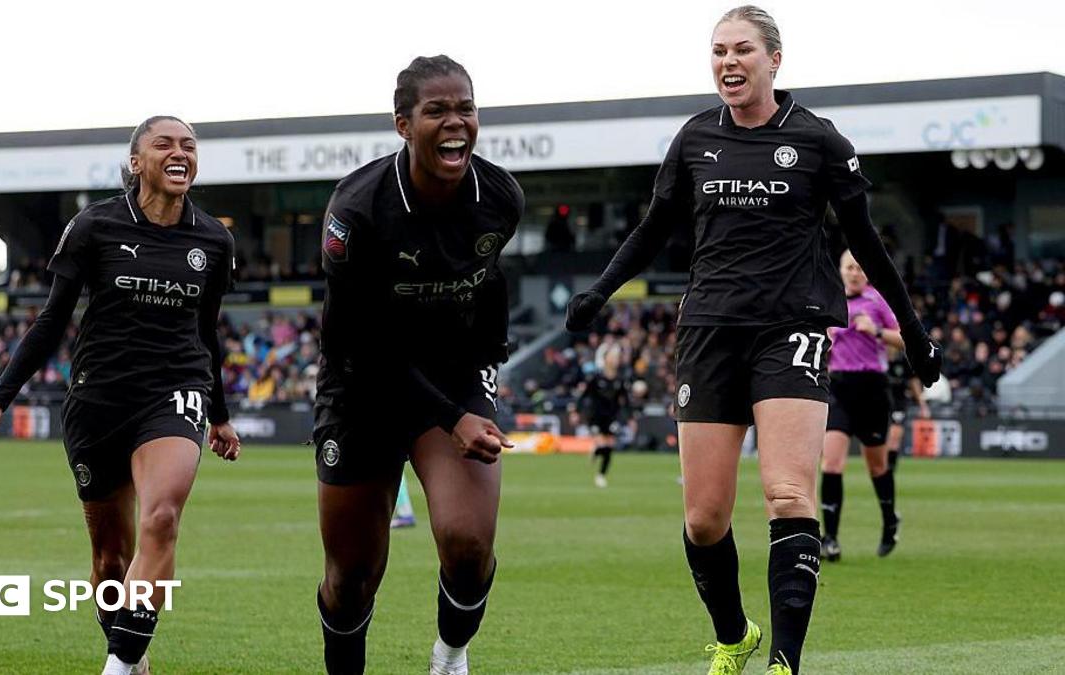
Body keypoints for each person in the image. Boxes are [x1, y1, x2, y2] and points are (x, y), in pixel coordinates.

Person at [565, 7, 941, 674]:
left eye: (742, 49)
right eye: (718, 51)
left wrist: (911, 330)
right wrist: (599, 292)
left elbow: (865, 242)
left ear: (774, 59)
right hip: (709, 330)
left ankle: (784, 662)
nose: (728, 62)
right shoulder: (694, 138)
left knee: (788, 494)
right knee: (704, 518)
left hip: (791, 328)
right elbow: (653, 227)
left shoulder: (818, 140)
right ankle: (736, 633)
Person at [0, 116, 240, 675]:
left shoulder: (213, 239)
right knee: (111, 560)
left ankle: (116, 666)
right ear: (136, 162)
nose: (180, 152)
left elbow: (206, 334)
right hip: (98, 401)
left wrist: (219, 415)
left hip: (175, 391)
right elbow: (51, 321)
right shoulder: (95, 225)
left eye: (189, 145)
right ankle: (133, 656)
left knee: (162, 517)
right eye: (164, 144)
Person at [312, 55, 524, 675]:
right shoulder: (356, 210)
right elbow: (351, 343)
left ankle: (449, 657)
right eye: (437, 110)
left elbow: (490, 281)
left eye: (466, 108)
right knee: (352, 576)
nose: (455, 122)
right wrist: (452, 415)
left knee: (468, 544)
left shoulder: (500, 197)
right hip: (361, 387)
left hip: (454, 377)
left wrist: (482, 380)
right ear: (403, 124)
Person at [819, 251, 905, 561]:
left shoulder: (877, 301)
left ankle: (890, 521)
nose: (854, 273)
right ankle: (830, 538)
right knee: (831, 463)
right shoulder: (830, 300)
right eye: (849, 267)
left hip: (872, 389)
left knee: (877, 466)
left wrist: (877, 331)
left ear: (866, 272)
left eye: (859, 267)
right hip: (838, 388)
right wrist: (825, 339)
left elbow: (906, 339)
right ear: (840, 270)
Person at [579, 345, 629, 488]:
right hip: (596, 416)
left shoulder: (620, 380)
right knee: (603, 444)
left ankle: (601, 474)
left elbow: (625, 400)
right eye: (612, 357)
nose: (615, 360)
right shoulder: (596, 378)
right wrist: (577, 411)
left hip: (612, 417)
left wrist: (629, 417)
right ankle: (598, 455)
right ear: (605, 359)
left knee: (609, 448)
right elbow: (584, 396)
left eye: (617, 358)